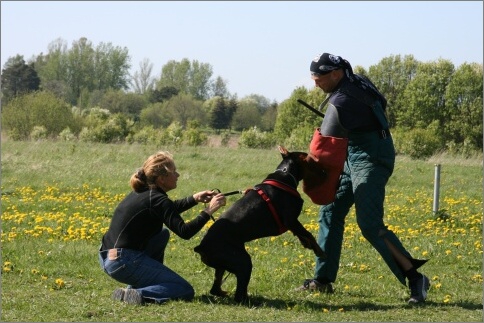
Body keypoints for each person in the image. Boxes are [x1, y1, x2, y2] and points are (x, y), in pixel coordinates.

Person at [296, 52, 430, 304]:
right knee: (330, 211)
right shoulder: (358, 81)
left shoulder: (341, 100)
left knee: (369, 224)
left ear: (335, 73)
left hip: (371, 158)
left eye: (319, 78)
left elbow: (322, 149)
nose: (315, 83)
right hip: (354, 153)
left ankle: (415, 278)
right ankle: (322, 280)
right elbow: (380, 104)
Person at [98, 150, 226, 305]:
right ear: (161, 179)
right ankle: (136, 293)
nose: (178, 175)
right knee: (183, 289)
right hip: (123, 262)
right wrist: (209, 211)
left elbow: (168, 209)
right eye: (174, 172)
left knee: (162, 234)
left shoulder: (144, 192)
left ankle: (136, 288)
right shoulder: (157, 199)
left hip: (109, 258)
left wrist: (194, 199)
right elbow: (185, 232)